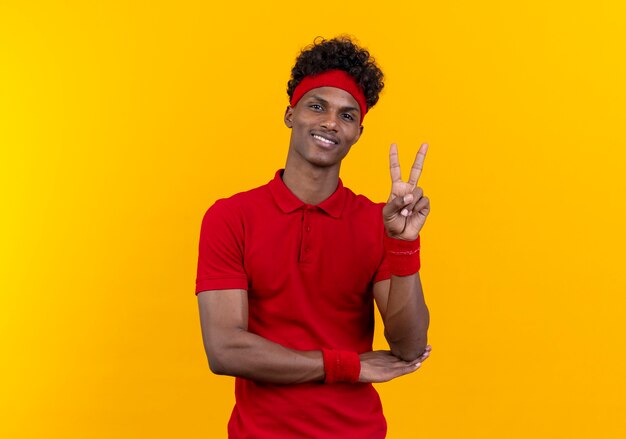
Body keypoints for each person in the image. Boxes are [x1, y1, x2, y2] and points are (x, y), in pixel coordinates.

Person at [195, 36, 432, 438]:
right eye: (317, 106)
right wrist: (347, 366)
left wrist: (403, 245)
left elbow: (408, 348)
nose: (329, 123)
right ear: (290, 114)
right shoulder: (230, 217)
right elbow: (224, 349)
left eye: (346, 115)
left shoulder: (376, 222)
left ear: (358, 132)